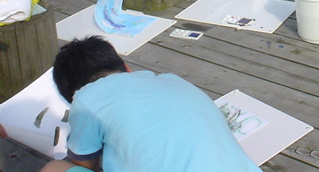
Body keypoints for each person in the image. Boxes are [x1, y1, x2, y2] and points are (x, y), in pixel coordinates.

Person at [40, 36, 261, 172]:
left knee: (54, 168)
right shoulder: (173, 80)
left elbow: (85, 165)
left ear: (74, 94)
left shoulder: (86, 99)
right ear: (126, 68)